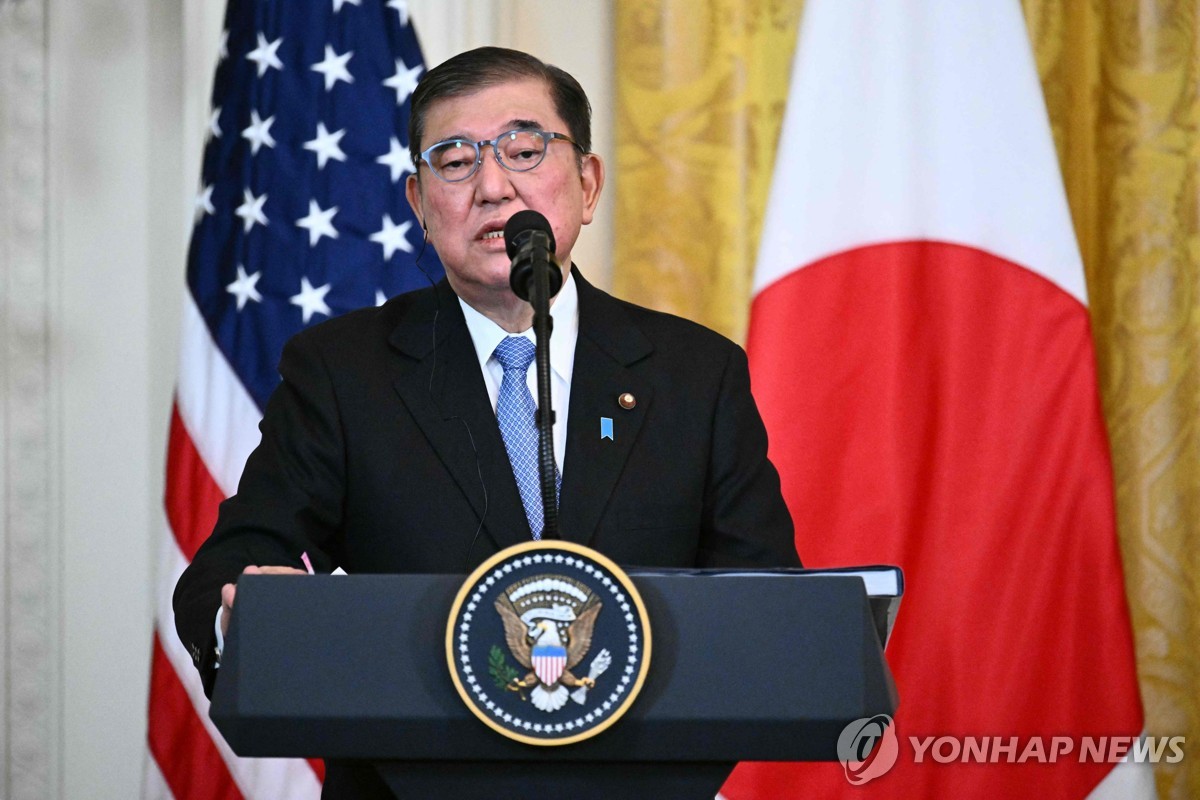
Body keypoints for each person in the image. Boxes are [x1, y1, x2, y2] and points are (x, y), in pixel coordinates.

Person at [174, 46, 799, 798]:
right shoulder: (344, 371)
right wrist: (243, 612)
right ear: (418, 203)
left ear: (588, 183)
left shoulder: (694, 373)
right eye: (457, 161)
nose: (495, 187)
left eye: (525, 151)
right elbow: (225, 569)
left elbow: (768, 605)